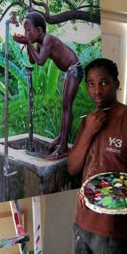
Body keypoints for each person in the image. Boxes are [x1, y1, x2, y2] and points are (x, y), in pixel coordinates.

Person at [67, 58, 127, 254]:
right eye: (91, 84)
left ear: (117, 84)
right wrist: (89, 132)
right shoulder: (88, 122)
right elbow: (73, 168)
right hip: (82, 224)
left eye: (104, 82)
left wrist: (124, 195)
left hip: (114, 232)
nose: (97, 91)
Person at [13, 11, 83, 160]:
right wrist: (27, 44)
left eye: (28, 29)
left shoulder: (48, 39)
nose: (26, 32)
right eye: (24, 30)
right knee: (65, 105)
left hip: (74, 68)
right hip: (69, 71)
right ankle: (61, 138)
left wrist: (28, 42)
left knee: (67, 105)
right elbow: (33, 60)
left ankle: (63, 147)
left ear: (39, 30)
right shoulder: (39, 43)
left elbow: (40, 61)